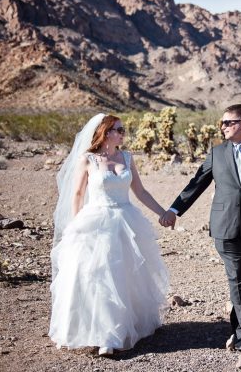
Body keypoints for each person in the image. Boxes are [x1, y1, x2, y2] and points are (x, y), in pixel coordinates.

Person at [159, 103, 241, 353]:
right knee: (238, 276)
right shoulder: (216, 153)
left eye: (228, 123)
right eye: (221, 123)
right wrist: (174, 210)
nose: (223, 127)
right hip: (224, 226)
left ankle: (237, 326)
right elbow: (196, 183)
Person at [49, 114, 170, 357]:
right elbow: (77, 195)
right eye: (118, 129)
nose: (123, 133)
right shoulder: (88, 160)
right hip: (96, 222)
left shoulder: (127, 157)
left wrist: (163, 212)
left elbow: (140, 191)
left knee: (125, 276)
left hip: (126, 221)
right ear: (105, 133)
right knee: (99, 278)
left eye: (123, 129)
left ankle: (123, 326)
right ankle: (104, 335)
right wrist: (76, 227)